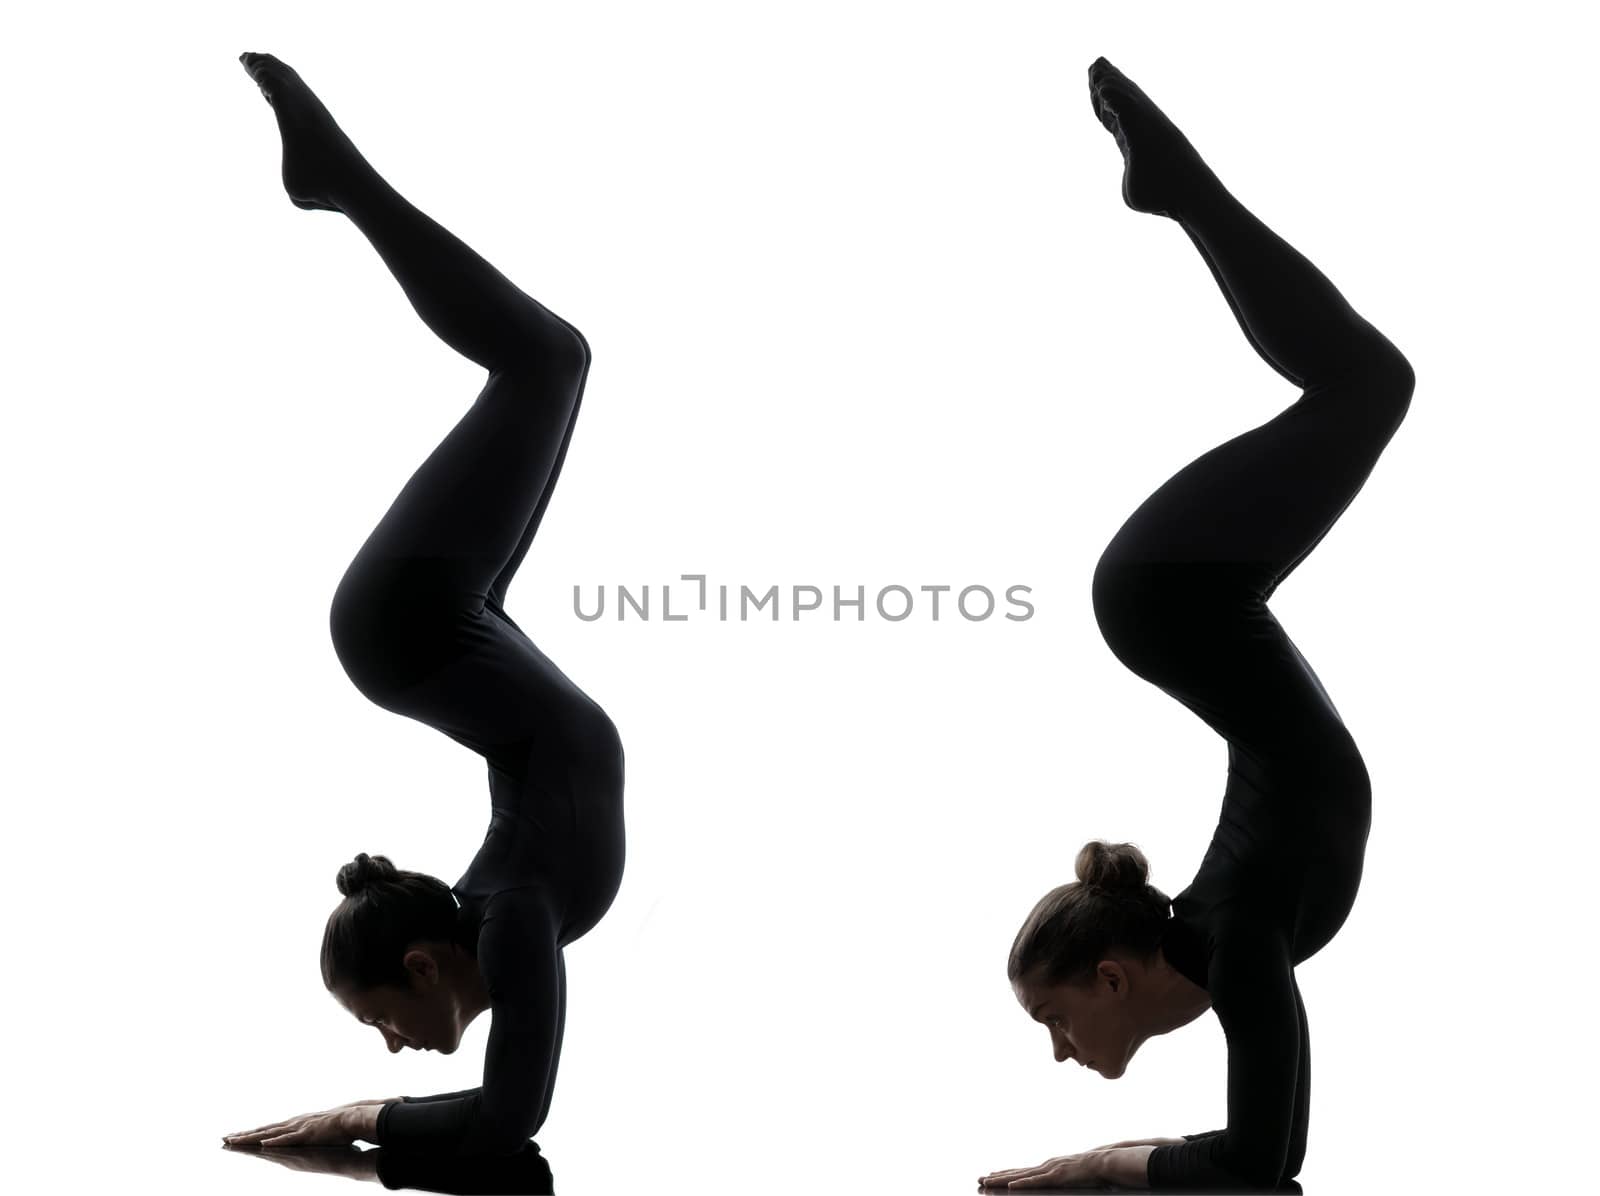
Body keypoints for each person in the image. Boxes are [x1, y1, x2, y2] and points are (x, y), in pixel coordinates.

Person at [979, 57, 1414, 1193]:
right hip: (1185, 602)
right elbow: (1268, 1163)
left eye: (1054, 1017)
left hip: (1170, 595)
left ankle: (1177, 192)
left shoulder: (1233, 927)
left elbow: (1261, 1161)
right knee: (1365, 384)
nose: (1058, 1046)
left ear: (1111, 978)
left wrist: (1082, 1169)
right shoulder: (1238, 941)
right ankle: (1178, 193)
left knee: (1367, 386)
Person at [222, 52, 625, 1158]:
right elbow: (512, 1116)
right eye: (380, 1028)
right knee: (553, 358)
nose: (391, 1047)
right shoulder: (516, 913)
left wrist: (357, 1128)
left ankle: (337, 182)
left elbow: (503, 1115)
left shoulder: (508, 906)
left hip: (420, 620)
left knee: (543, 361)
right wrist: (362, 1120)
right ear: (420, 967)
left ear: (422, 962)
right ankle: (337, 183)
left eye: (375, 1027)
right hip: (443, 620)